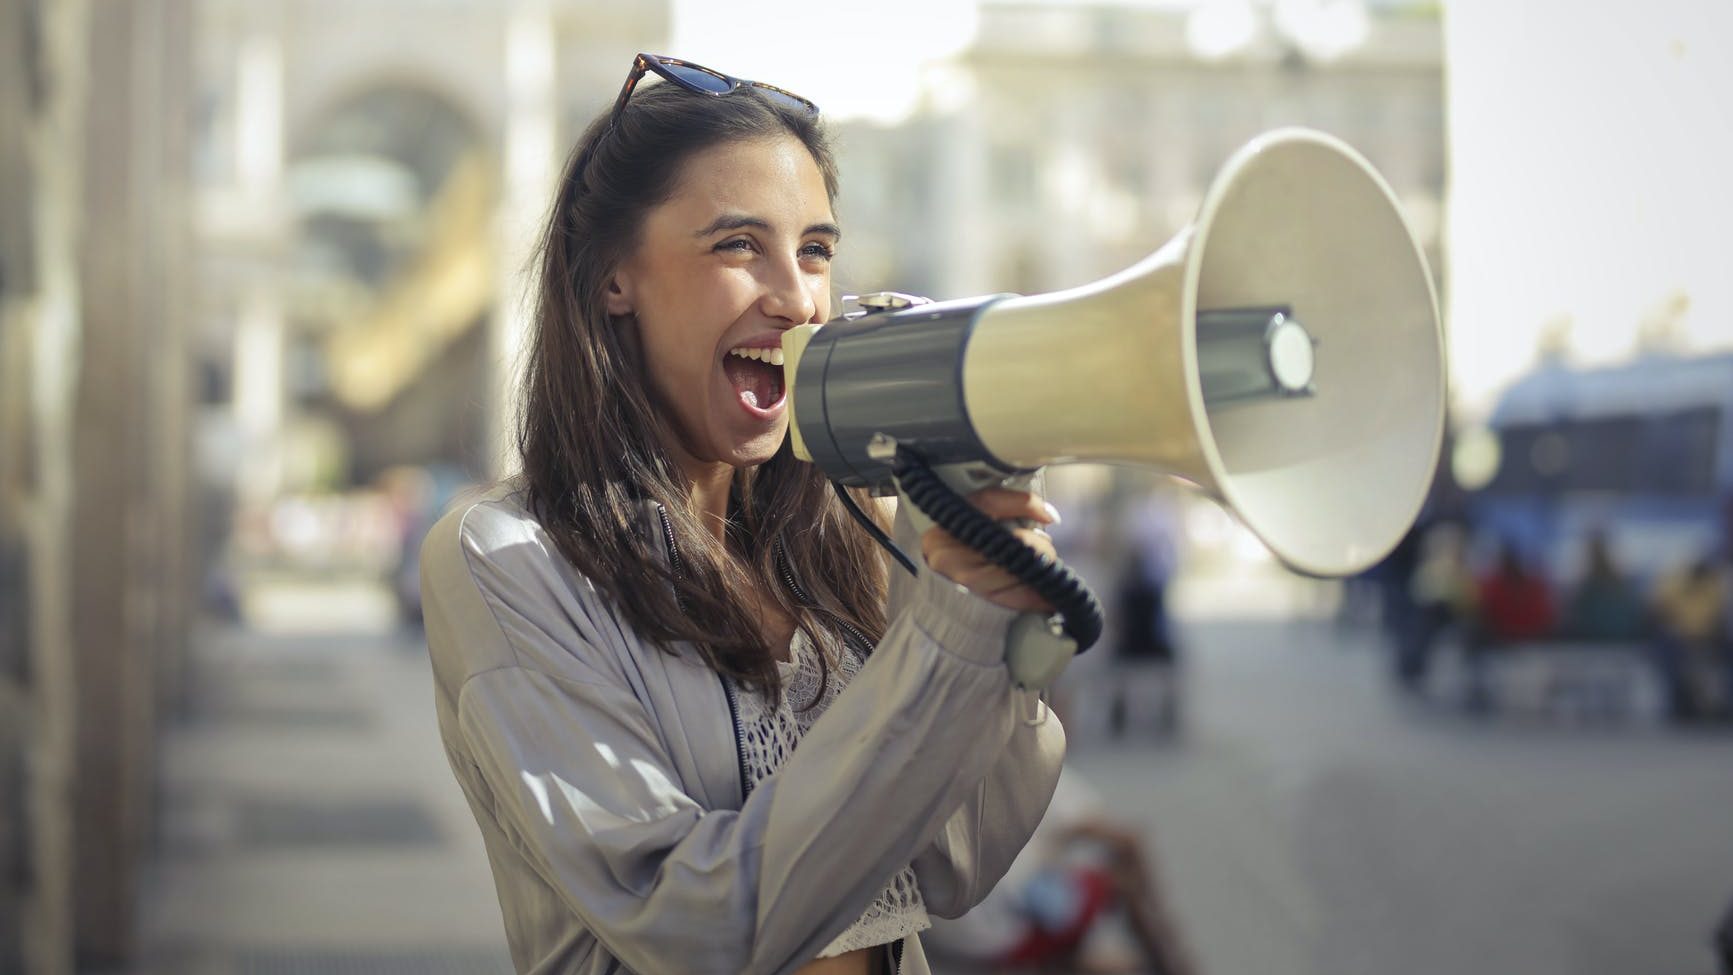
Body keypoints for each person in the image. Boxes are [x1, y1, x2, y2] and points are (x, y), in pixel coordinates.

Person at [418, 54, 1067, 975]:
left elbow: (956, 860)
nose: (798, 297)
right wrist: (942, 643)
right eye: (736, 246)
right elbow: (691, 927)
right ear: (613, 279)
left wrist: (988, 620)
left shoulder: (848, 532)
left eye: (814, 250)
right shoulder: (506, 558)